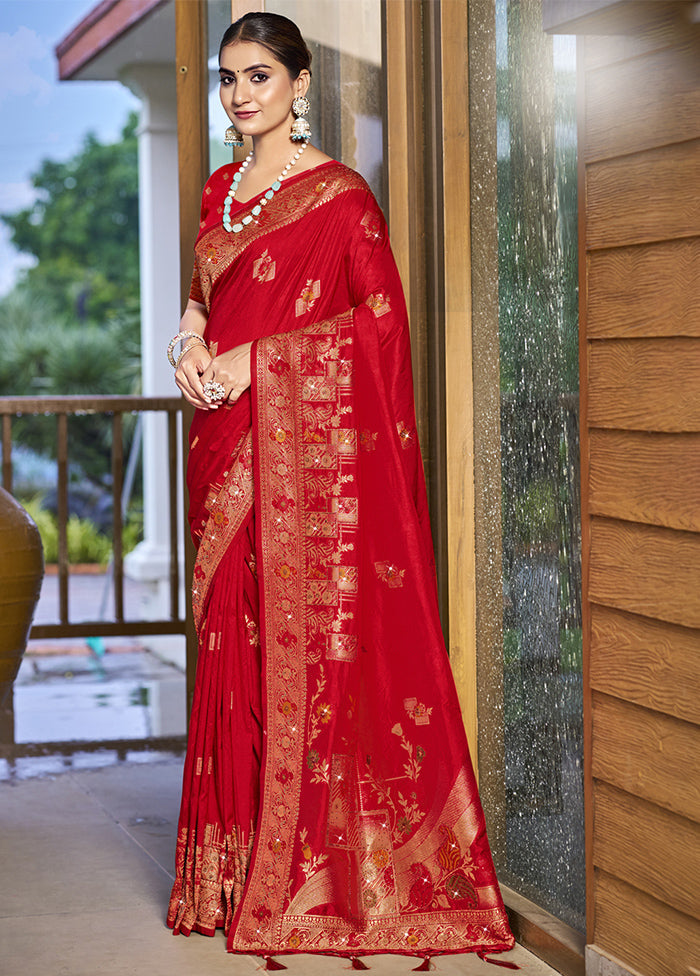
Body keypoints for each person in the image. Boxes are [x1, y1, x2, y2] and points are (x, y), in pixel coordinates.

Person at [166, 11, 515, 969]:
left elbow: (380, 327)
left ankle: (300, 876)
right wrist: (193, 344)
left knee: (295, 649)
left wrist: (253, 364)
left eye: (258, 77)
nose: (239, 95)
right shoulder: (218, 190)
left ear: (301, 85)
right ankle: (228, 877)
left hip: (281, 447)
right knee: (231, 645)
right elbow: (202, 290)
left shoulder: (342, 199)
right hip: (222, 446)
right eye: (228, 79)